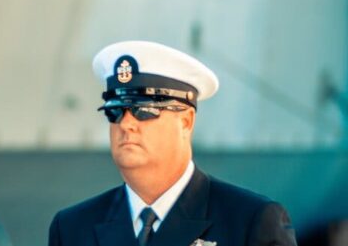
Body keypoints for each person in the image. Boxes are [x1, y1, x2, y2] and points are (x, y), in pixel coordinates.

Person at [48, 41, 297, 246]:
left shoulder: (250, 222)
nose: (125, 124)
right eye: (115, 111)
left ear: (186, 121)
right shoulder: (71, 229)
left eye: (143, 110)